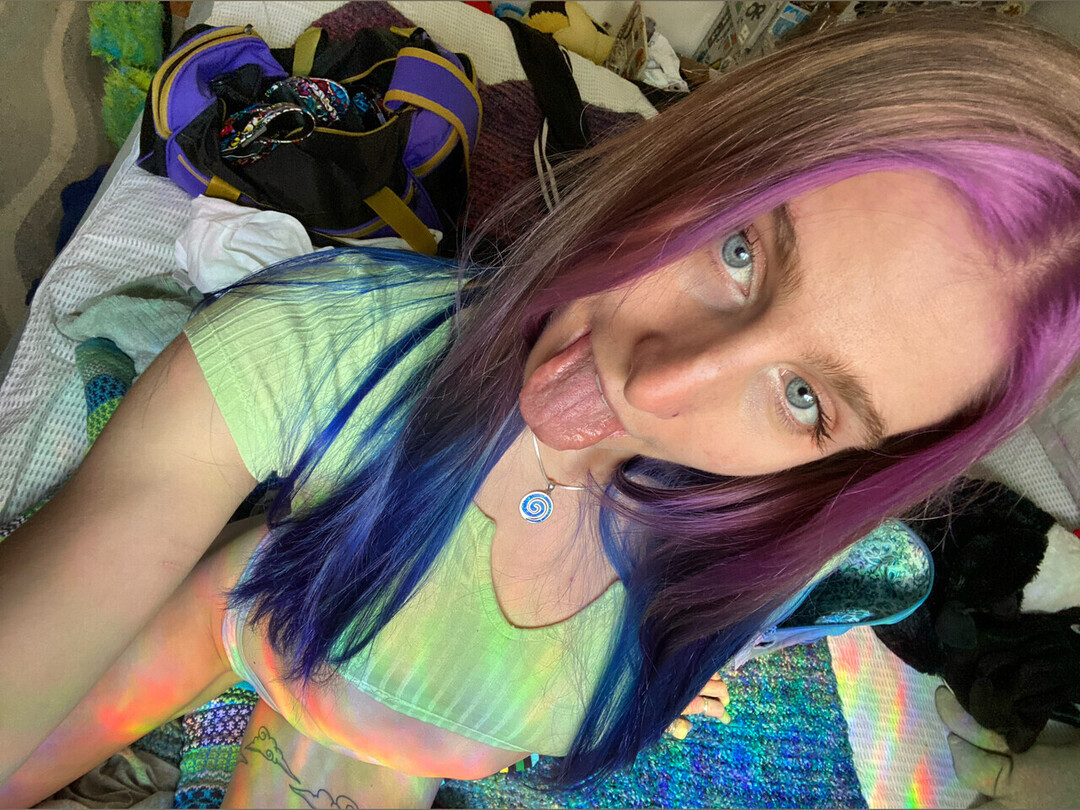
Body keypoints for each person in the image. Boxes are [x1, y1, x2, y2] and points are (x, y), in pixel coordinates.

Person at [3, 6, 1080, 807]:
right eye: (740, 249)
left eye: (806, 398)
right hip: (252, 608)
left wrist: (688, 659)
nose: (654, 384)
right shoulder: (313, 344)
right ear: (689, 153)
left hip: (384, 745)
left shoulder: (780, 539)